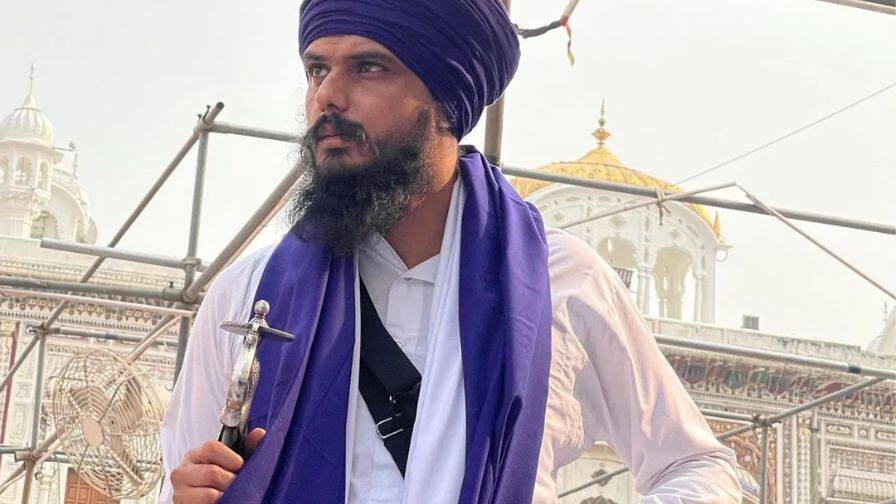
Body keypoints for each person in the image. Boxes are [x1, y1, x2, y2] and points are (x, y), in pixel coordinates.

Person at [160, 1, 743, 502]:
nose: (327, 97)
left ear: (445, 98)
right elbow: (177, 478)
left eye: (368, 67)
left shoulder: (560, 281)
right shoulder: (248, 294)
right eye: (316, 70)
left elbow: (699, 467)